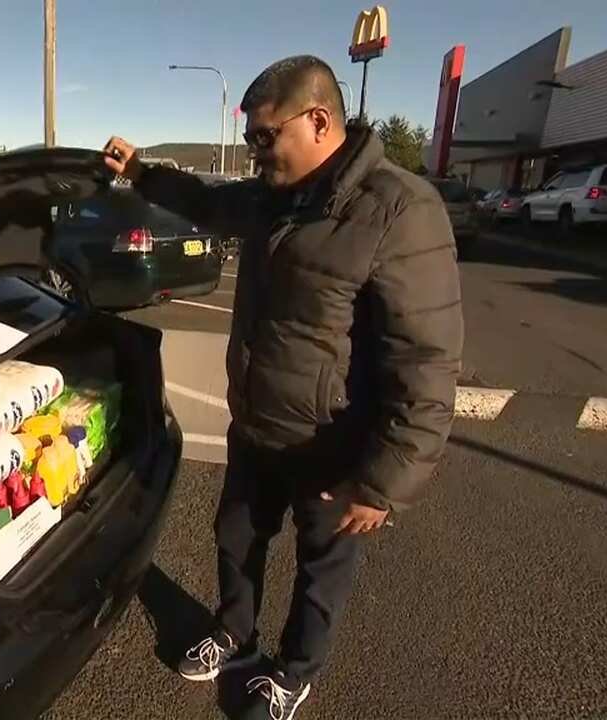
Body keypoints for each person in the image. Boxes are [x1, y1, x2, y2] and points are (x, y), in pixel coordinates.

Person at [104, 55, 463, 720]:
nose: (254, 151)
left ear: (319, 120)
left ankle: (294, 672)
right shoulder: (274, 197)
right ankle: (234, 632)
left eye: (265, 137)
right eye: (249, 140)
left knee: (322, 573)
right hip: (257, 425)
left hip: (336, 444)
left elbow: (428, 360)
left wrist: (384, 481)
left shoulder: (398, 212)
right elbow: (208, 202)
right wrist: (142, 173)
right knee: (235, 539)